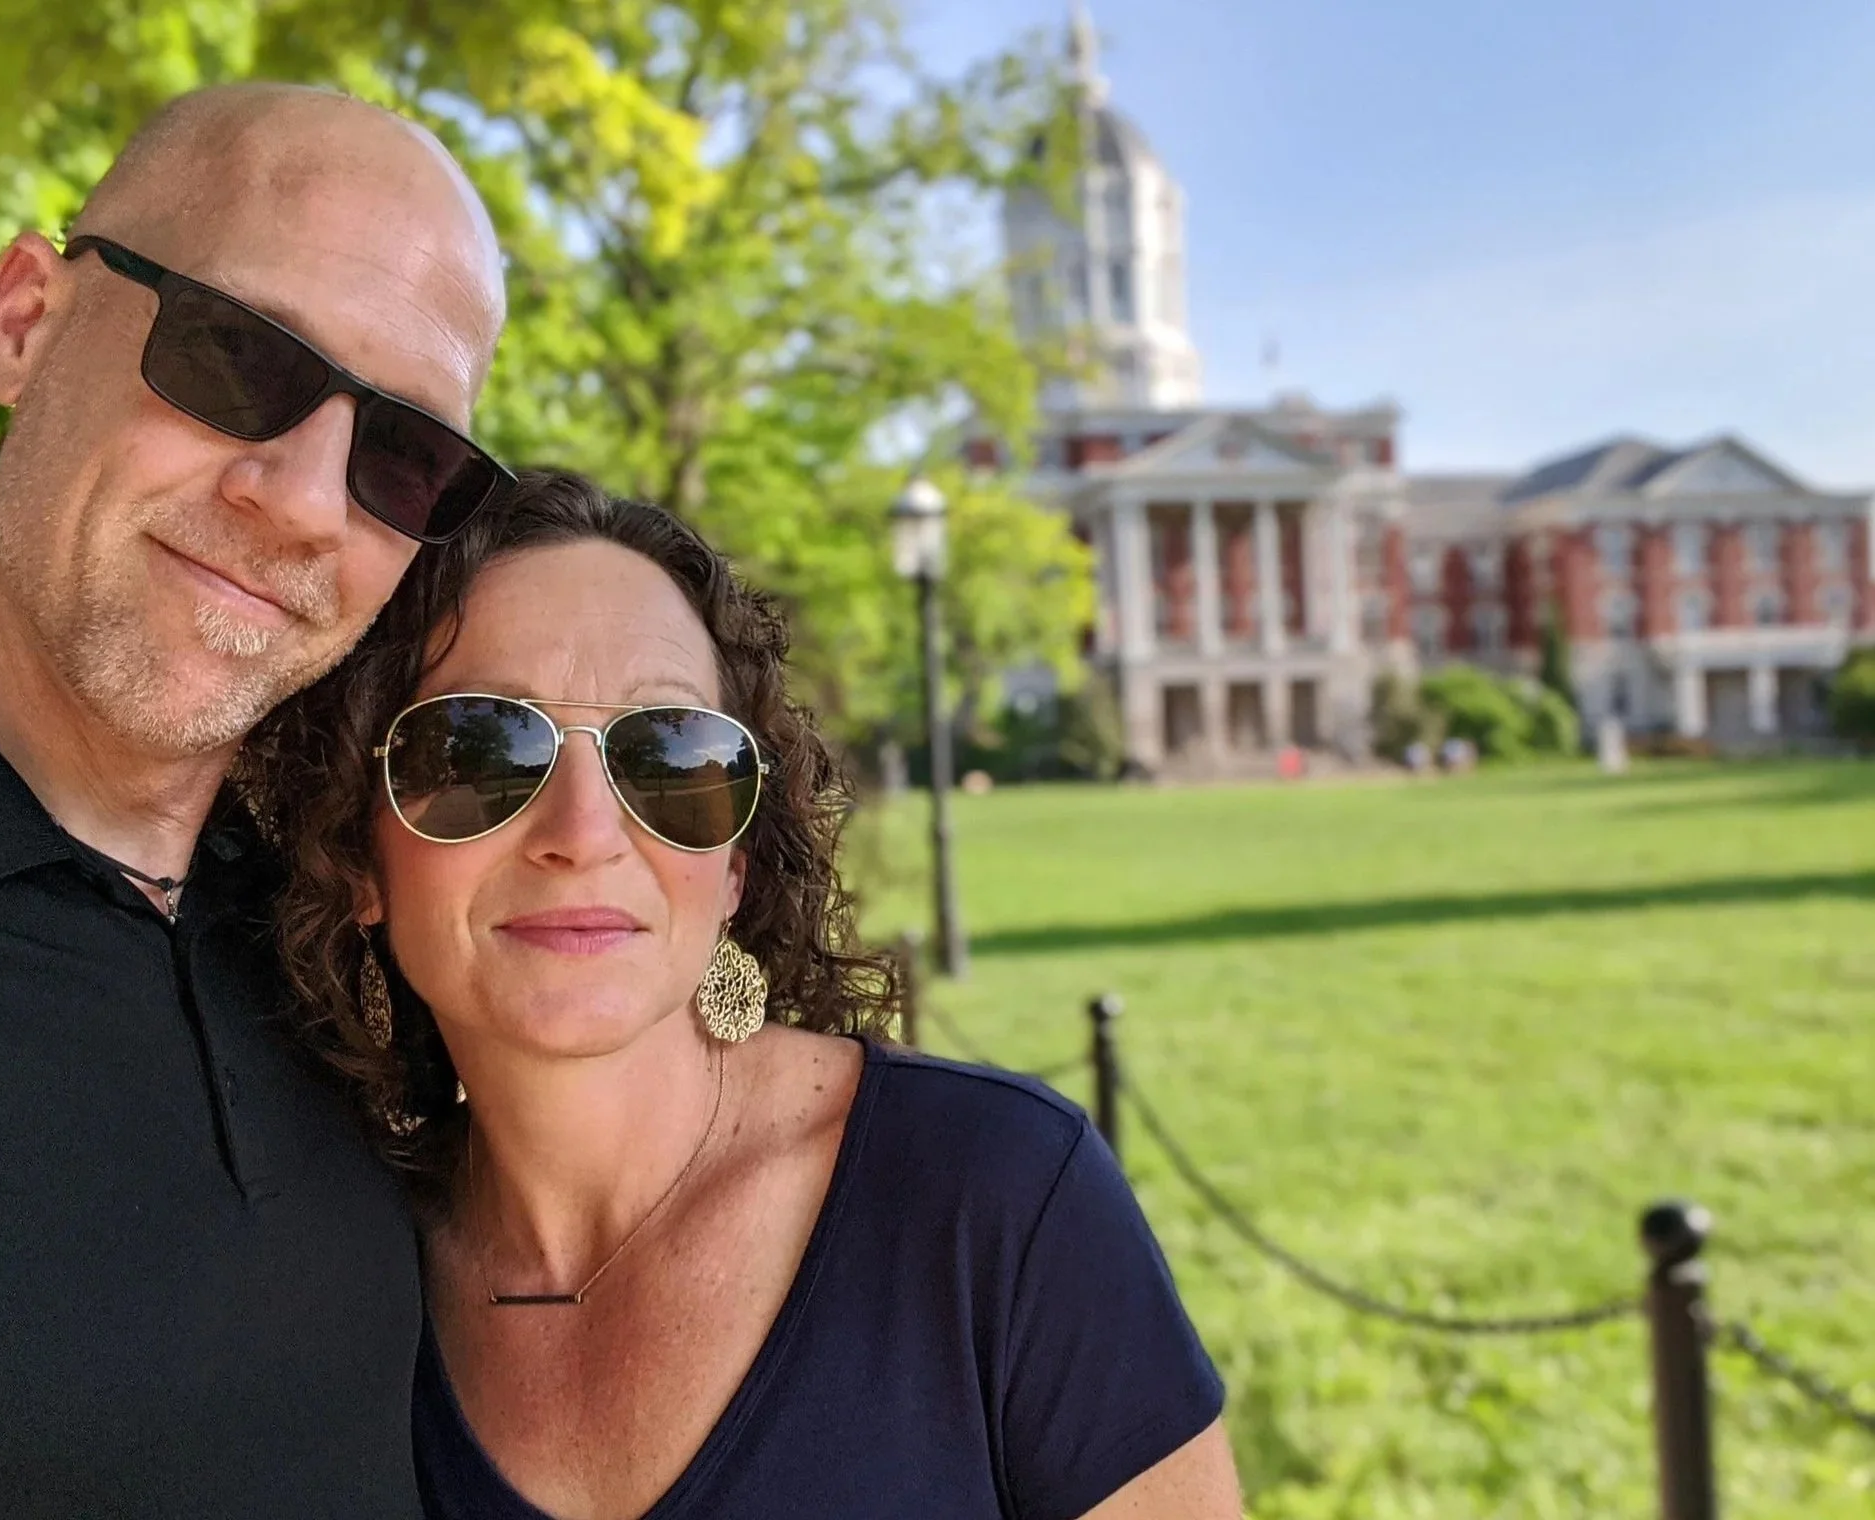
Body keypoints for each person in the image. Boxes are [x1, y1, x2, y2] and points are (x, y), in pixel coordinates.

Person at [248, 469, 1243, 1520]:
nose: (583, 833)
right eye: (481, 749)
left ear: (733, 864)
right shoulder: (341, 1282)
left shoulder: (991, 1200)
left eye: (670, 756)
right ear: (355, 848)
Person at [0, 83, 510, 1516]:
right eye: (236, 355)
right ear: (23, 320)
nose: (305, 501)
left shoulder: (366, 946)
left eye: (404, 454)